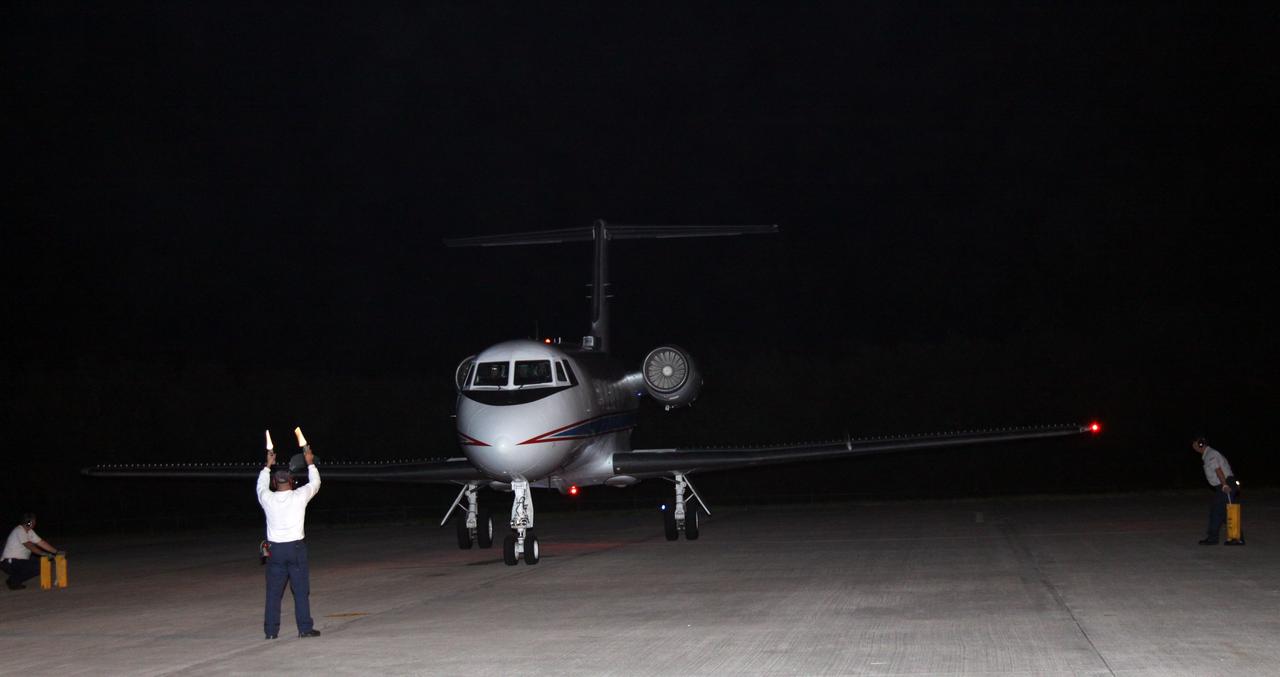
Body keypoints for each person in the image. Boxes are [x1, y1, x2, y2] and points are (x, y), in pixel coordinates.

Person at [258, 431, 321, 639]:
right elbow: (315, 483)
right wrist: (310, 462)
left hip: (275, 550)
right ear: (292, 481)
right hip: (295, 548)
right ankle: (304, 628)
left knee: (273, 594)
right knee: (300, 591)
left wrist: (268, 465)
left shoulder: (267, 498)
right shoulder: (299, 496)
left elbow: (260, 486)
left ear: (275, 483)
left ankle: (270, 632)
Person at [1191, 436, 1238, 545]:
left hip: (1224, 484)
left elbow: (1218, 470)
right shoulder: (1208, 454)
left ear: (1200, 444)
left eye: (1194, 444)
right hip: (1224, 484)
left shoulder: (1210, 454)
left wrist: (1225, 485)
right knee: (1226, 512)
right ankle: (1235, 538)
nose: (1193, 447)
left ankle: (1214, 538)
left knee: (1217, 512)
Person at [2, 513, 60, 590]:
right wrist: (44, 554)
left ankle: (13, 579)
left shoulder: (29, 531)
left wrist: (56, 552)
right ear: (29, 522)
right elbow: (29, 545)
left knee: (42, 564)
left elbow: (41, 543)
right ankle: (14, 581)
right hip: (9, 562)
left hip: (18, 561)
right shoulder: (19, 530)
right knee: (38, 566)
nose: (35, 523)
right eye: (34, 521)